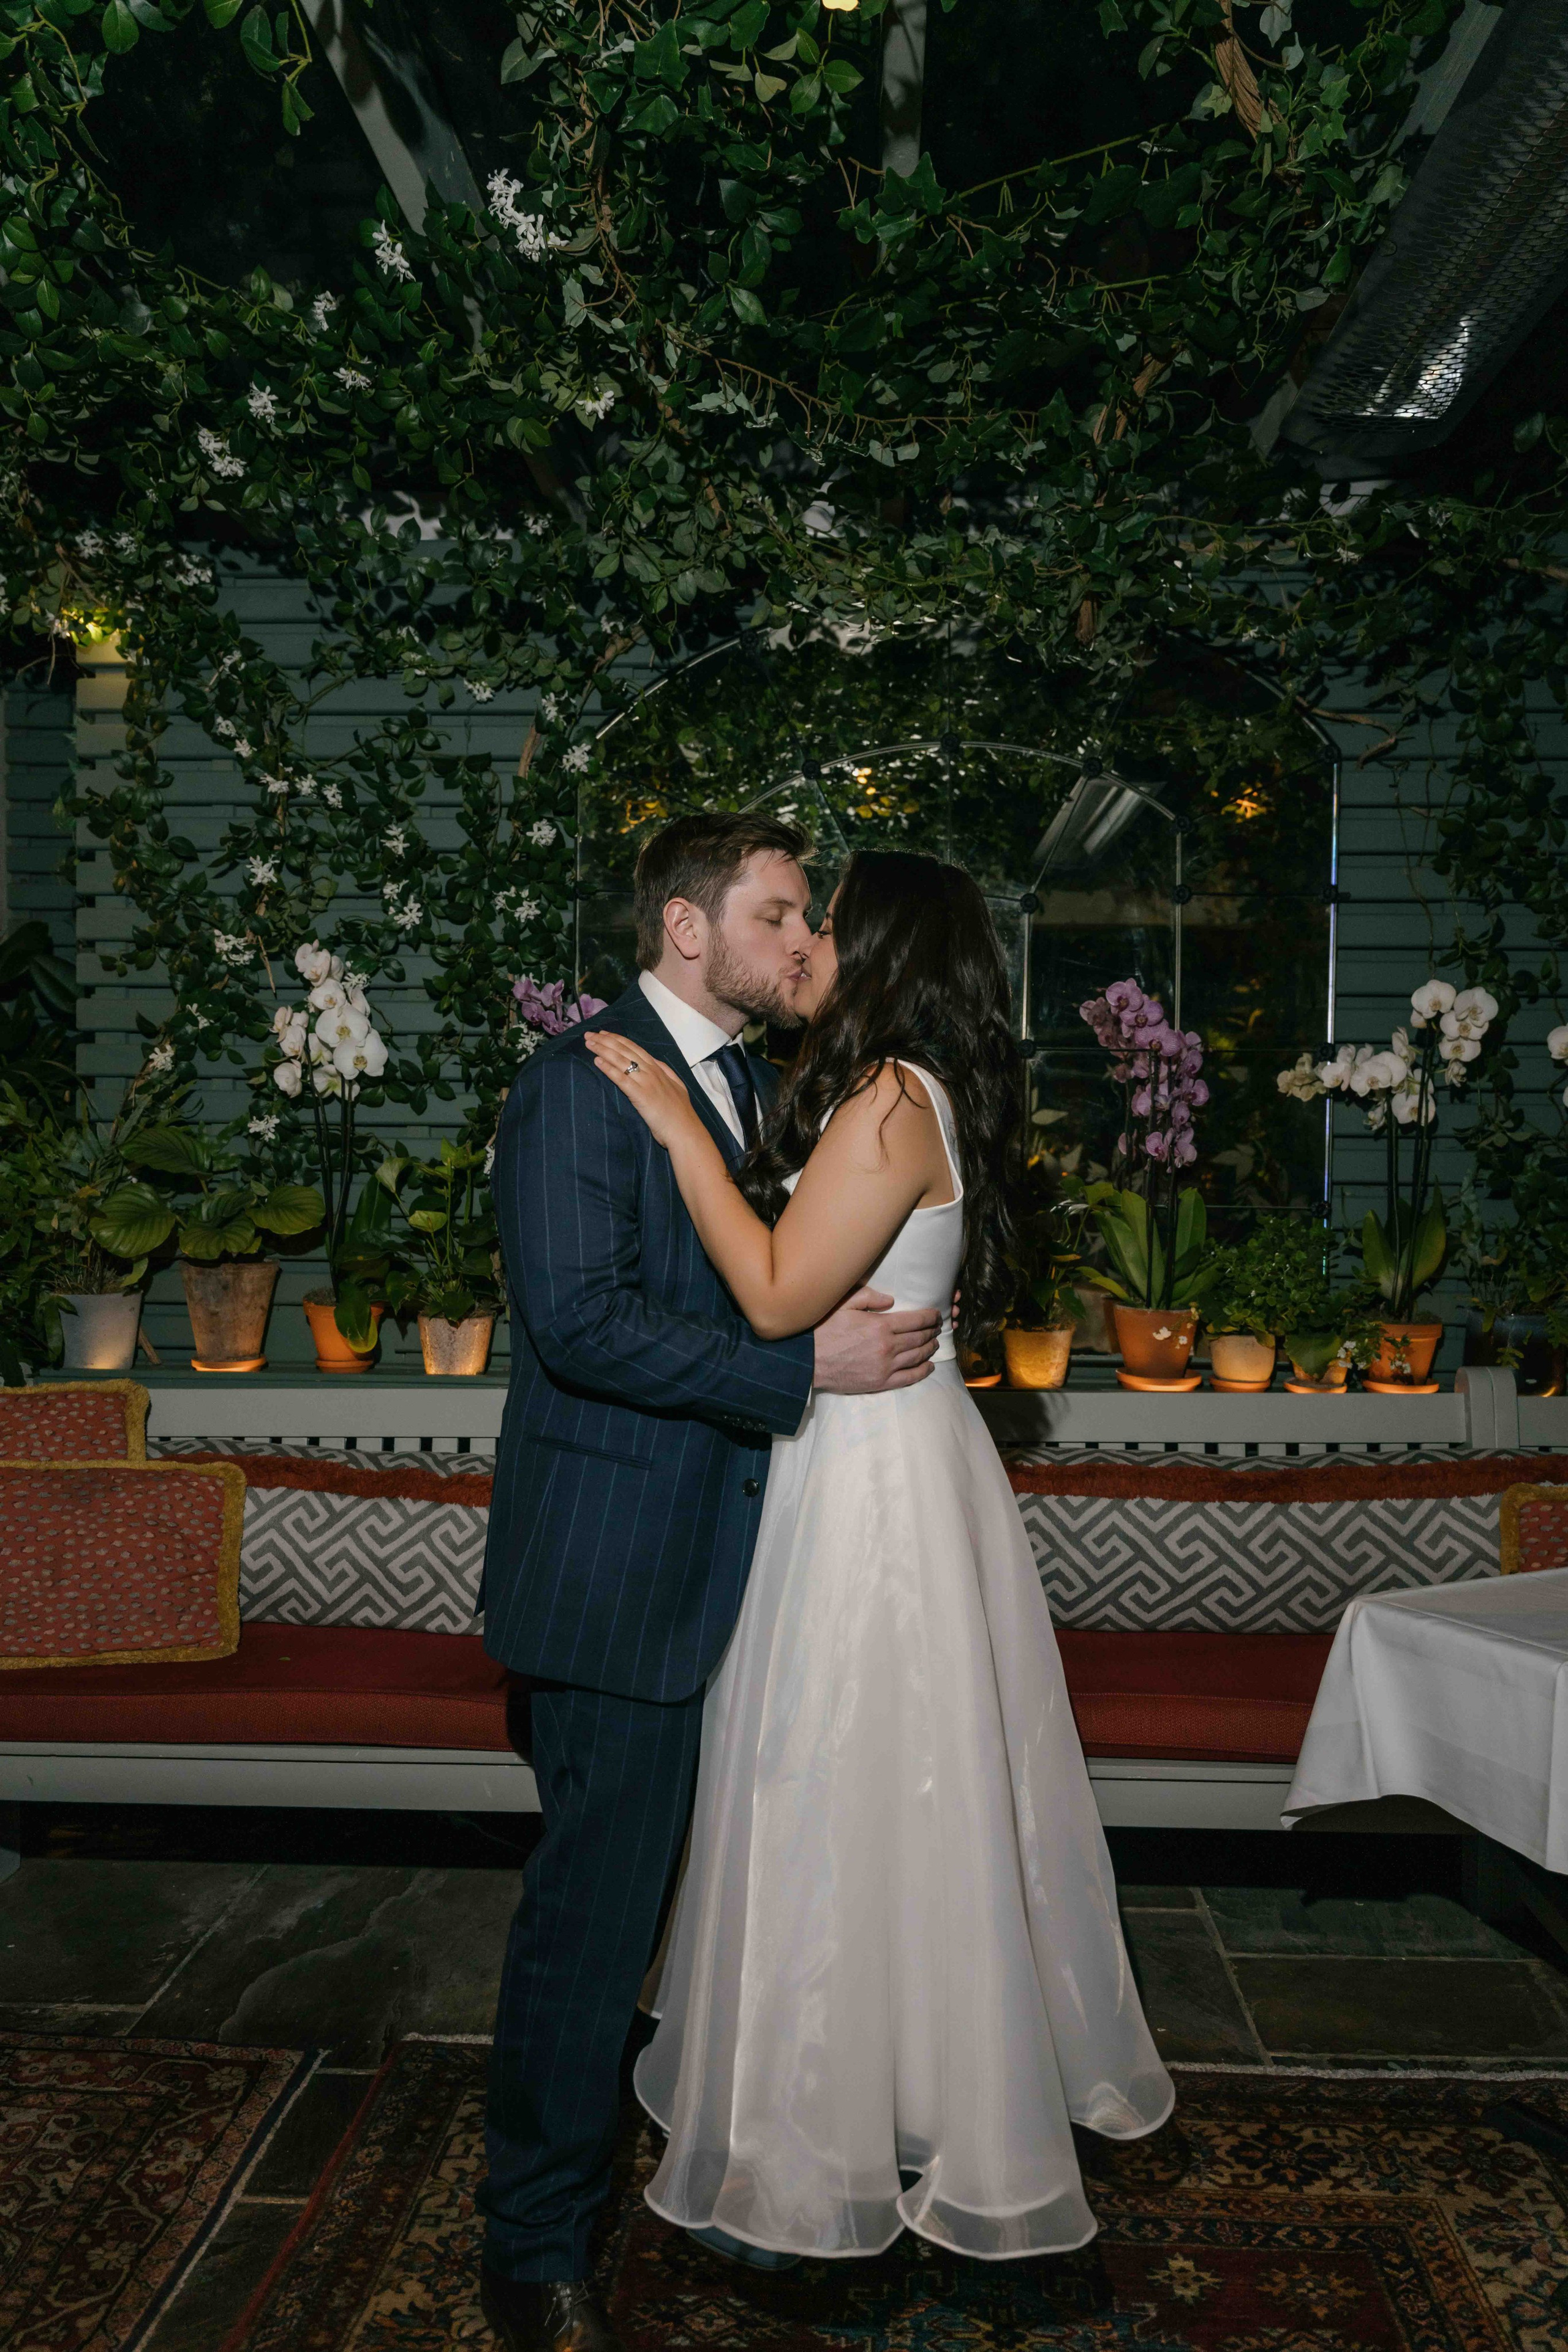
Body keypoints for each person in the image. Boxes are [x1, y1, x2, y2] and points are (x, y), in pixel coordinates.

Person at [582, 848, 1174, 2267]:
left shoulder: (890, 1097)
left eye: (826, 925)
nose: (806, 946)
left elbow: (781, 1295)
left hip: (863, 1482)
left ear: (886, 952)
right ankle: (904, 2086)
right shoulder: (919, 1092)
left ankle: (817, 2141)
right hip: (891, 1457)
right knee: (905, 1789)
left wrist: (673, 1135)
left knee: (833, 1779)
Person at [478, 813, 944, 2352]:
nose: (802, 942)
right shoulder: (577, 1086)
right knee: (595, 1927)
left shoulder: (763, 1086)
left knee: (710, 1925)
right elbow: (580, 1325)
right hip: (618, 1572)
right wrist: (796, 1365)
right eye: (778, 914)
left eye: (810, 918)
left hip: (766, 1570)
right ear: (686, 928)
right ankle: (534, 2247)